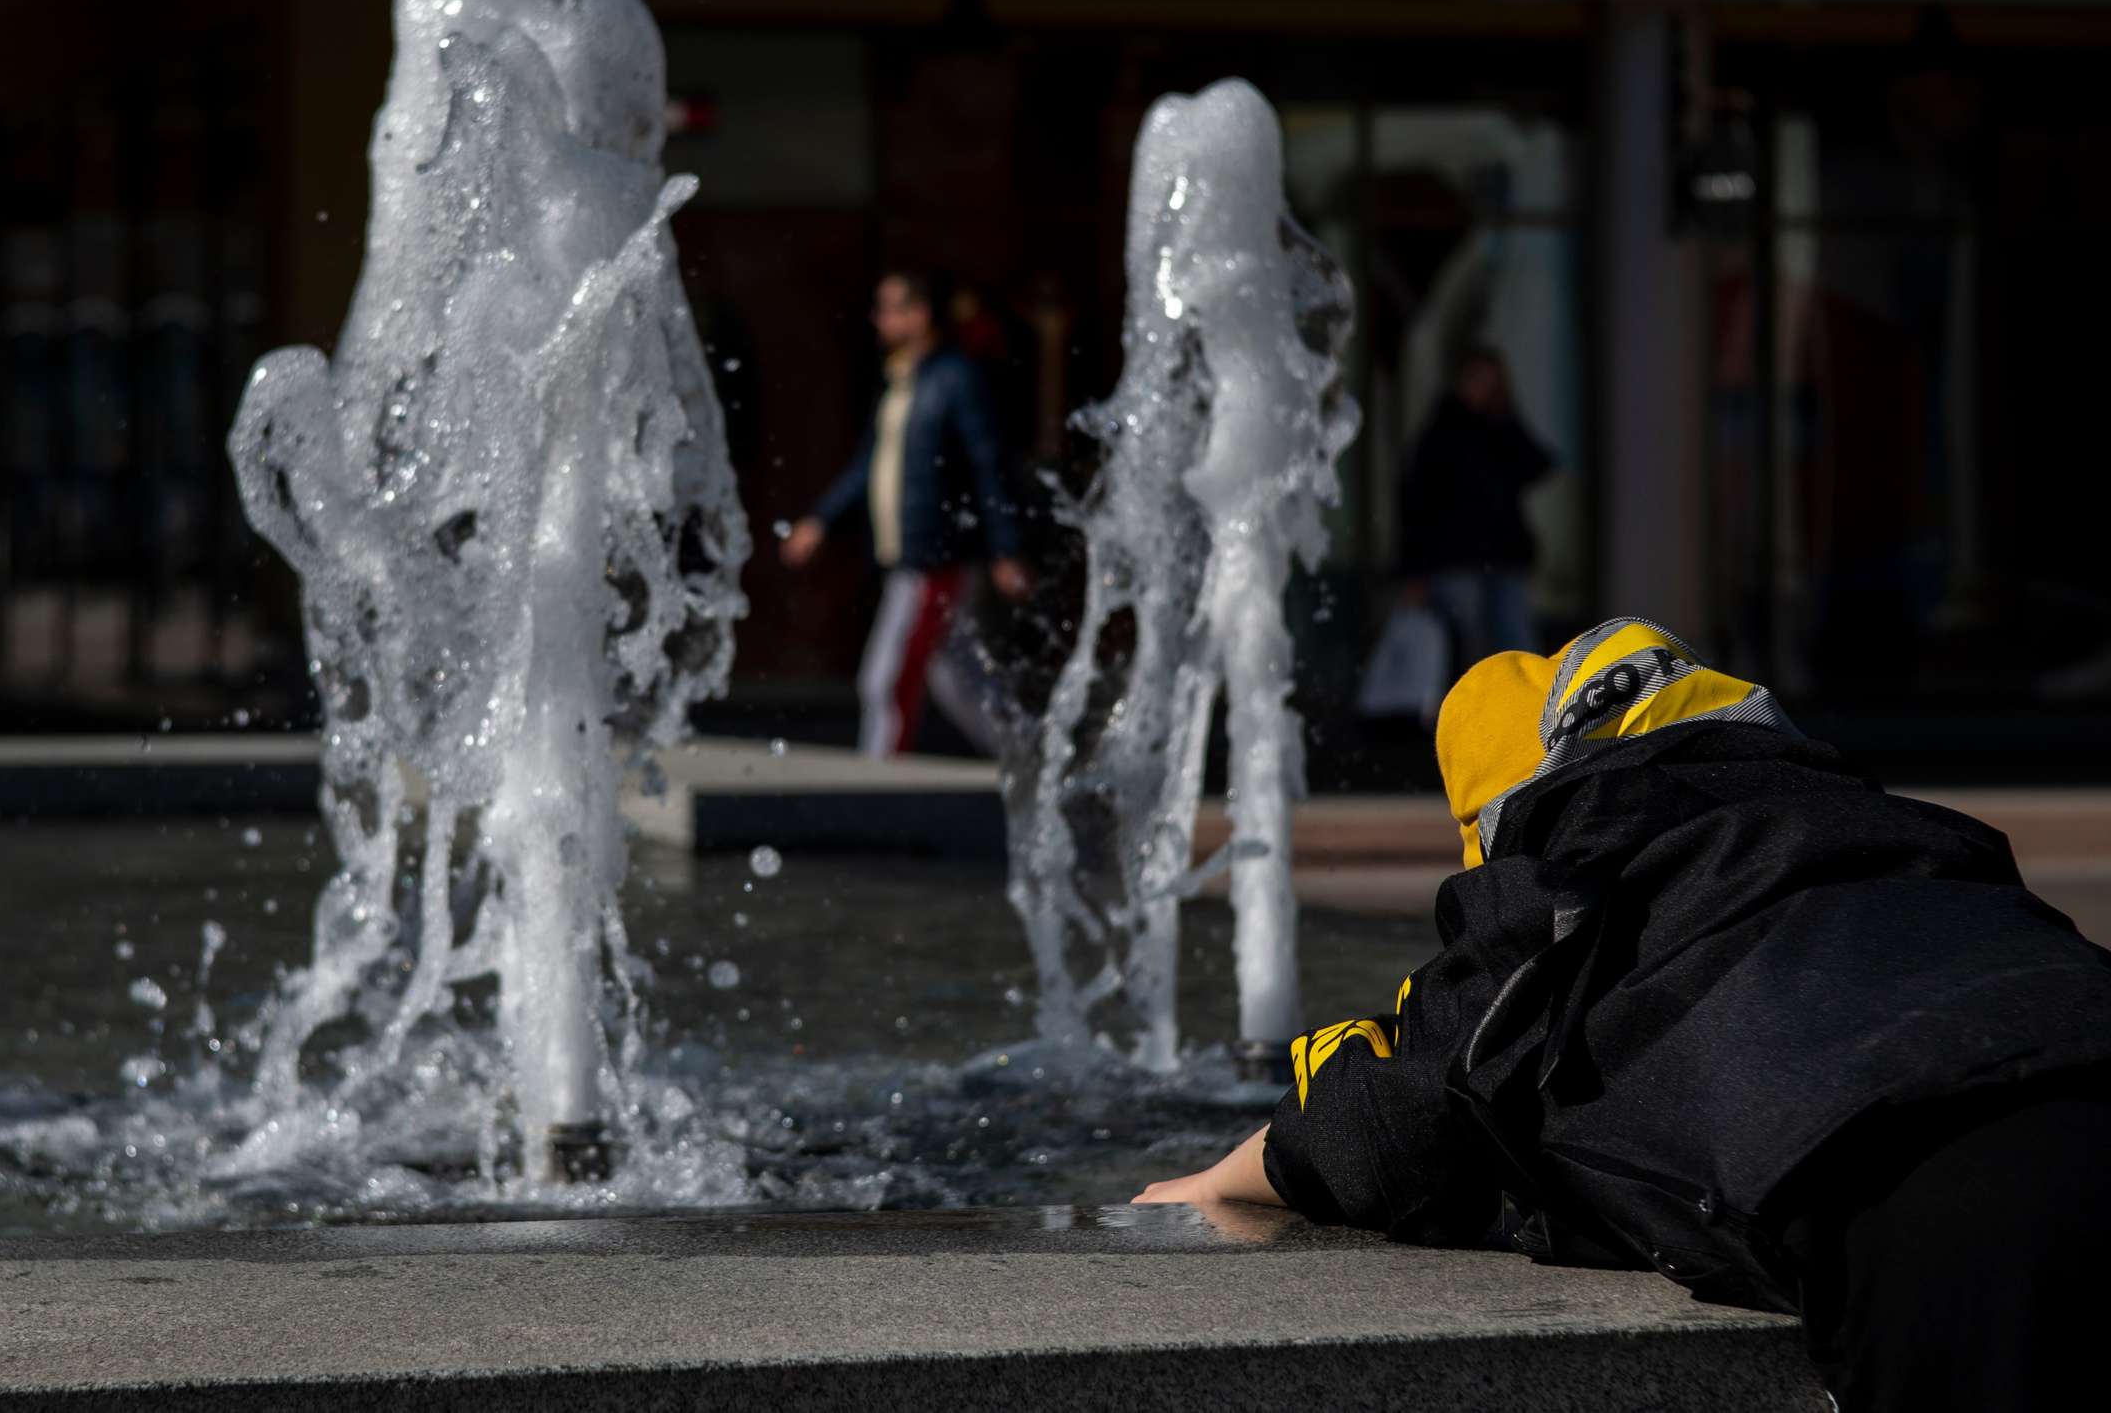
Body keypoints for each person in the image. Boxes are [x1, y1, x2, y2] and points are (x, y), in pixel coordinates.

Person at [1135, 616, 2111, 1413]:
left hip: (1951, 1197)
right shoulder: (1896, 825)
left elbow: (1393, 1120)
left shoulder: (1559, 888)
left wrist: (1211, 1176)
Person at [781, 270, 1031, 757]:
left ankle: (875, 786)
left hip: (937, 552)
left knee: (888, 678)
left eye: (890, 307)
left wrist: (1008, 547)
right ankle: (1030, 760)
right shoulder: (901, 381)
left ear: (920, 314)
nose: (880, 319)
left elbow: (989, 464)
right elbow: (869, 466)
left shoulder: (958, 378)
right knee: (954, 674)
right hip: (912, 550)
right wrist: (822, 521)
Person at [1398, 344, 1553, 667]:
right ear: (1460, 381)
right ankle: (1474, 717)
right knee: (1468, 653)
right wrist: (1411, 572)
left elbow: (1538, 465)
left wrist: (1506, 416)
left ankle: (1524, 715)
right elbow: (1415, 504)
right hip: (1455, 562)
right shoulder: (1440, 433)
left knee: (1519, 651)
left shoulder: (1498, 431)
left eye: (1493, 383)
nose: (1485, 390)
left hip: (1503, 558)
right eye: (1479, 380)